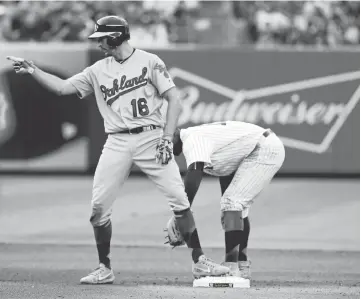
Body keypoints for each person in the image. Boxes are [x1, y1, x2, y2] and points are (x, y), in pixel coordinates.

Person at [7, 16, 229, 284]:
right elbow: (63, 87)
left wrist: (167, 138)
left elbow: (174, 99)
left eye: (102, 38)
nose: (99, 43)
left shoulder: (150, 61)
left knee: (180, 201)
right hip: (117, 142)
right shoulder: (98, 70)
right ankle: (105, 267)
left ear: (115, 37)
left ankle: (199, 262)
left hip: (151, 137)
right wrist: (34, 71)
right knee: (99, 208)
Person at [171, 121, 285, 280]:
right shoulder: (201, 138)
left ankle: (231, 268)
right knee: (235, 206)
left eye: (164, 139)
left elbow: (193, 177)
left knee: (232, 202)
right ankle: (241, 264)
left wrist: (180, 215)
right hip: (257, 148)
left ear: (174, 132)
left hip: (265, 149)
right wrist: (230, 212)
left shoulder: (192, 140)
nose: (164, 146)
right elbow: (227, 170)